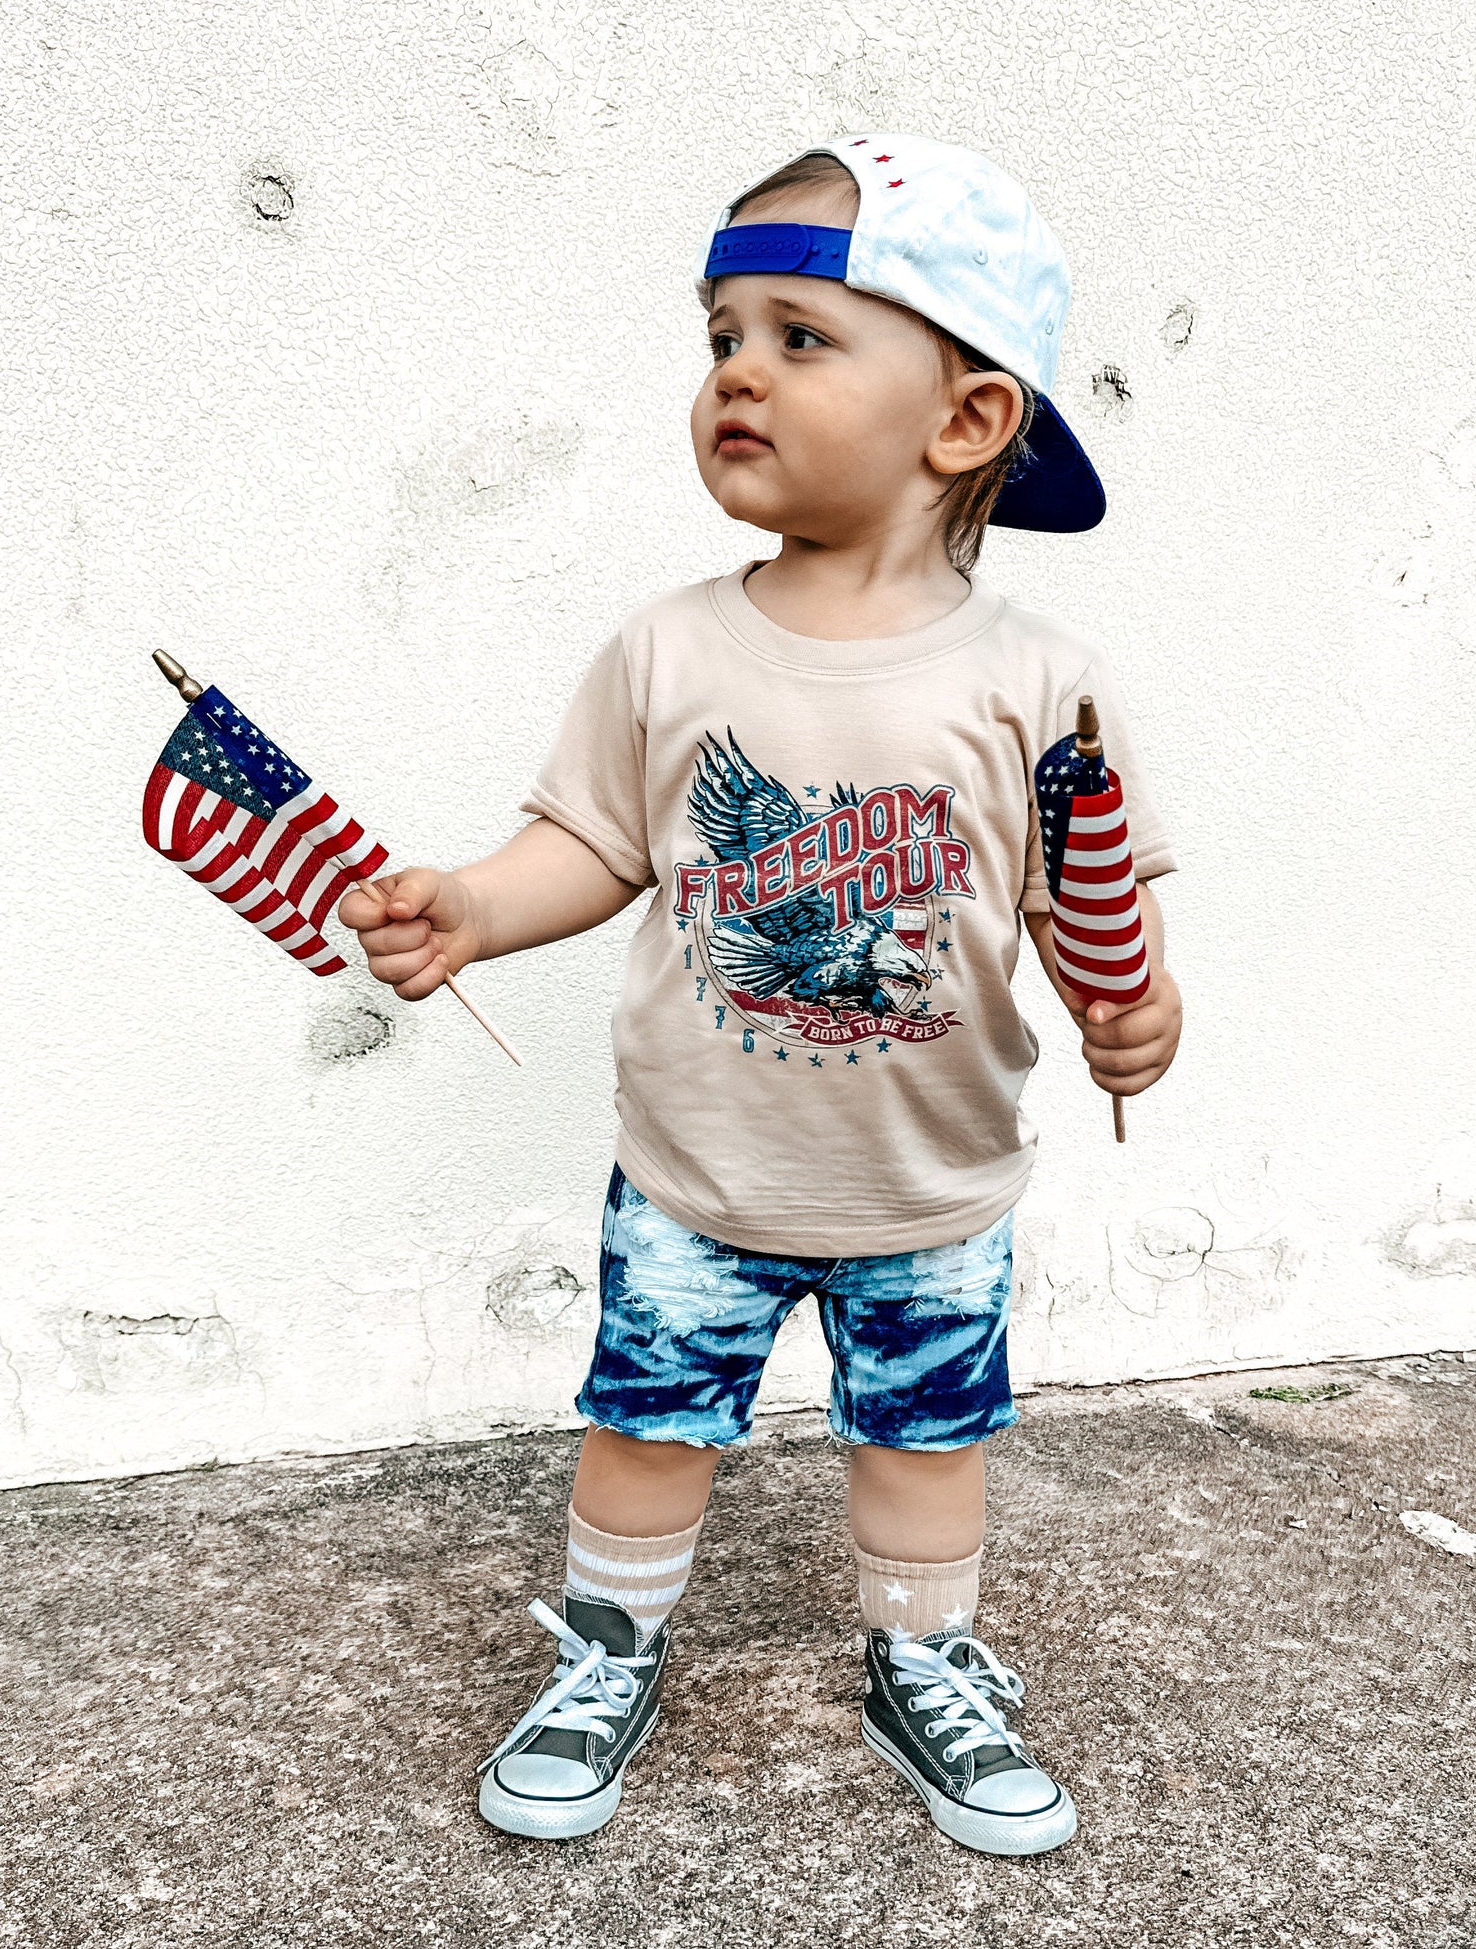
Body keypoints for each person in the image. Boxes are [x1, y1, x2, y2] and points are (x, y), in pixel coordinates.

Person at [340, 135, 1182, 1856]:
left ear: (965, 419)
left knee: (926, 1443)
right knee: (647, 1425)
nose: (738, 369)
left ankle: (921, 1663)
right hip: (696, 1173)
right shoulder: (671, 649)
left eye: (801, 337)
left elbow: (1088, 900)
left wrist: (1139, 1010)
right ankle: (604, 1651)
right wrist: (474, 908)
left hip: (929, 1184)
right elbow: (592, 840)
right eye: (722, 335)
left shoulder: (1039, 679)